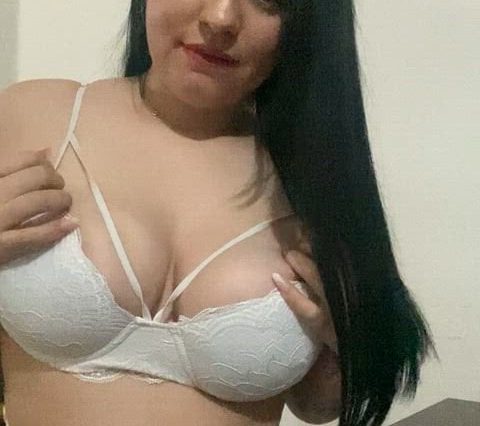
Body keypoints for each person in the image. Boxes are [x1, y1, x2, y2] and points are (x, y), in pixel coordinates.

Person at [0, 1, 434, 425]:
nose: (221, 17)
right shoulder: (32, 116)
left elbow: (316, 405)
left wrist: (343, 341)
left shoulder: (313, 183)